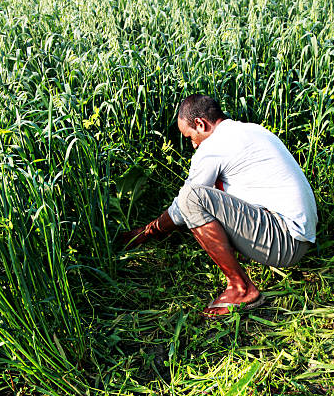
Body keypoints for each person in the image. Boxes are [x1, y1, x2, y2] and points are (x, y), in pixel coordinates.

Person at [122, 94, 317, 318]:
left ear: (200, 124)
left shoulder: (214, 146)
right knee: (212, 188)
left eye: (190, 137)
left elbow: (181, 208)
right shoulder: (250, 130)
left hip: (285, 241)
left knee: (192, 197)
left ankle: (241, 288)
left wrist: (148, 232)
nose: (193, 144)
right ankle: (241, 265)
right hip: (297, 236)